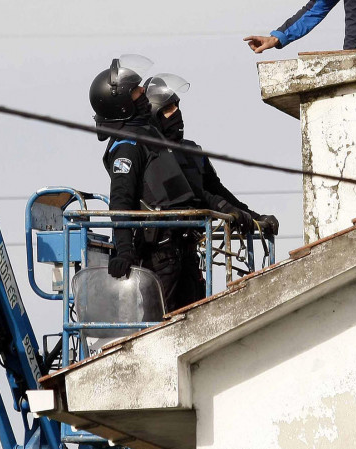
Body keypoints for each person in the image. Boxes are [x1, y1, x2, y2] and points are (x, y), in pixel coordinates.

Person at [89, 55, 203, 313]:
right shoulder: (127, 148)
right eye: (137, 91)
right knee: (159, 329)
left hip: (181, 249)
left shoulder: (149, 138)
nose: (143, 95)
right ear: (121, 102)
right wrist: (125, 252)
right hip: (159, 256)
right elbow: (121, 200)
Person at [144, 73, 280, 238]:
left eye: (177, 107)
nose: (177, 113)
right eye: (168, 109)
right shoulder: (149, 154)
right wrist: (223, 207)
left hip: (190, 243)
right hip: (160, 245)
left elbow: (216, 189)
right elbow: (190, 194)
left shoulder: (192, 151)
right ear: (154, 115)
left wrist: (254, 217)